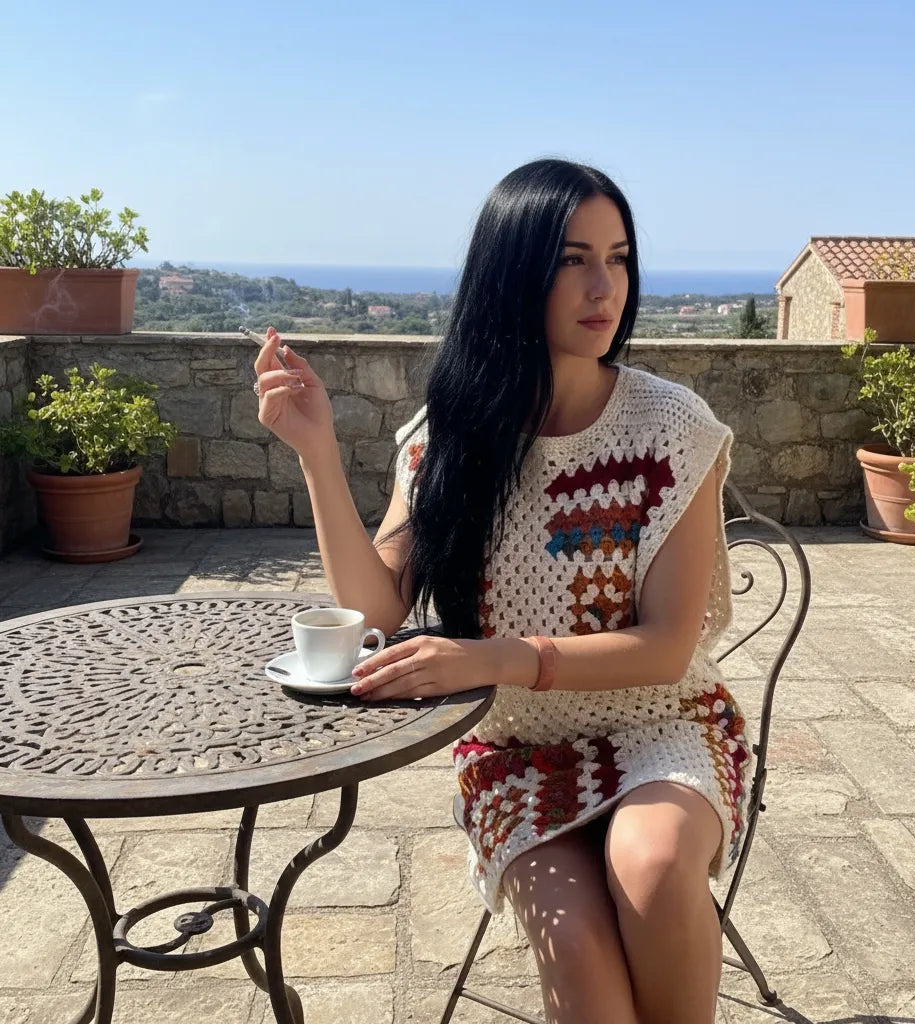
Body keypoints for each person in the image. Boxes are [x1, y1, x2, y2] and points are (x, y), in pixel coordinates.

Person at [252, 158, 751, 1024]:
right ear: (512, 271)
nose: (606, 287)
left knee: (654, 863)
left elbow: (669, 646)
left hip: (666, 725)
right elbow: (376, 612)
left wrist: (492, 657)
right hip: (517, 757)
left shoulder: (672, 429)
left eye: (621, 257)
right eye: (572, 259)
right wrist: (316, 454)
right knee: (587, 965)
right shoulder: (450, 436)